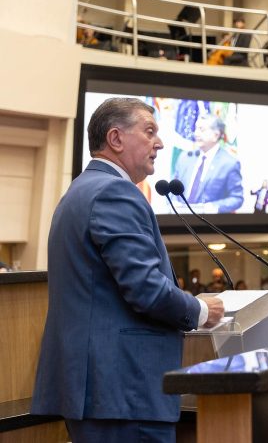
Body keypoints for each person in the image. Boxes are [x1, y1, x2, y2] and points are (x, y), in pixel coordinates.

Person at [32, 98, 225, 441]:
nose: (160, 143)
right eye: (149, 131)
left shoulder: (81, 190)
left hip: (105, 392)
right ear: (116, 139)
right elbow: (146, 289)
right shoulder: (113, 192)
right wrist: (200, 309)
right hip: (124, 391)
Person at [172, 114, 244, 213]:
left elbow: (237, 198)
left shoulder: (229, 163)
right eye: (196, 128)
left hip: (210, 224)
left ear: (216, 135)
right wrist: (174, 202)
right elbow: (172, 188)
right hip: (179, 221)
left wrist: (213, 207)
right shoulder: (184, 157)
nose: (196, 133)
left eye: (202, 129)